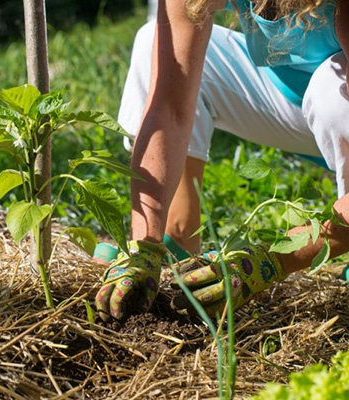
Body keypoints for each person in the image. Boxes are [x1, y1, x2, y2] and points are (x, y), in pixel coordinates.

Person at [95, 0, 349, 321]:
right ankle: (176, 237)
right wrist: (143, 244)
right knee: (156, 42)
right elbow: (170, 108)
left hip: (337, 105)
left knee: (333, 90)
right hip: (289, 99)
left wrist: (271, 261)